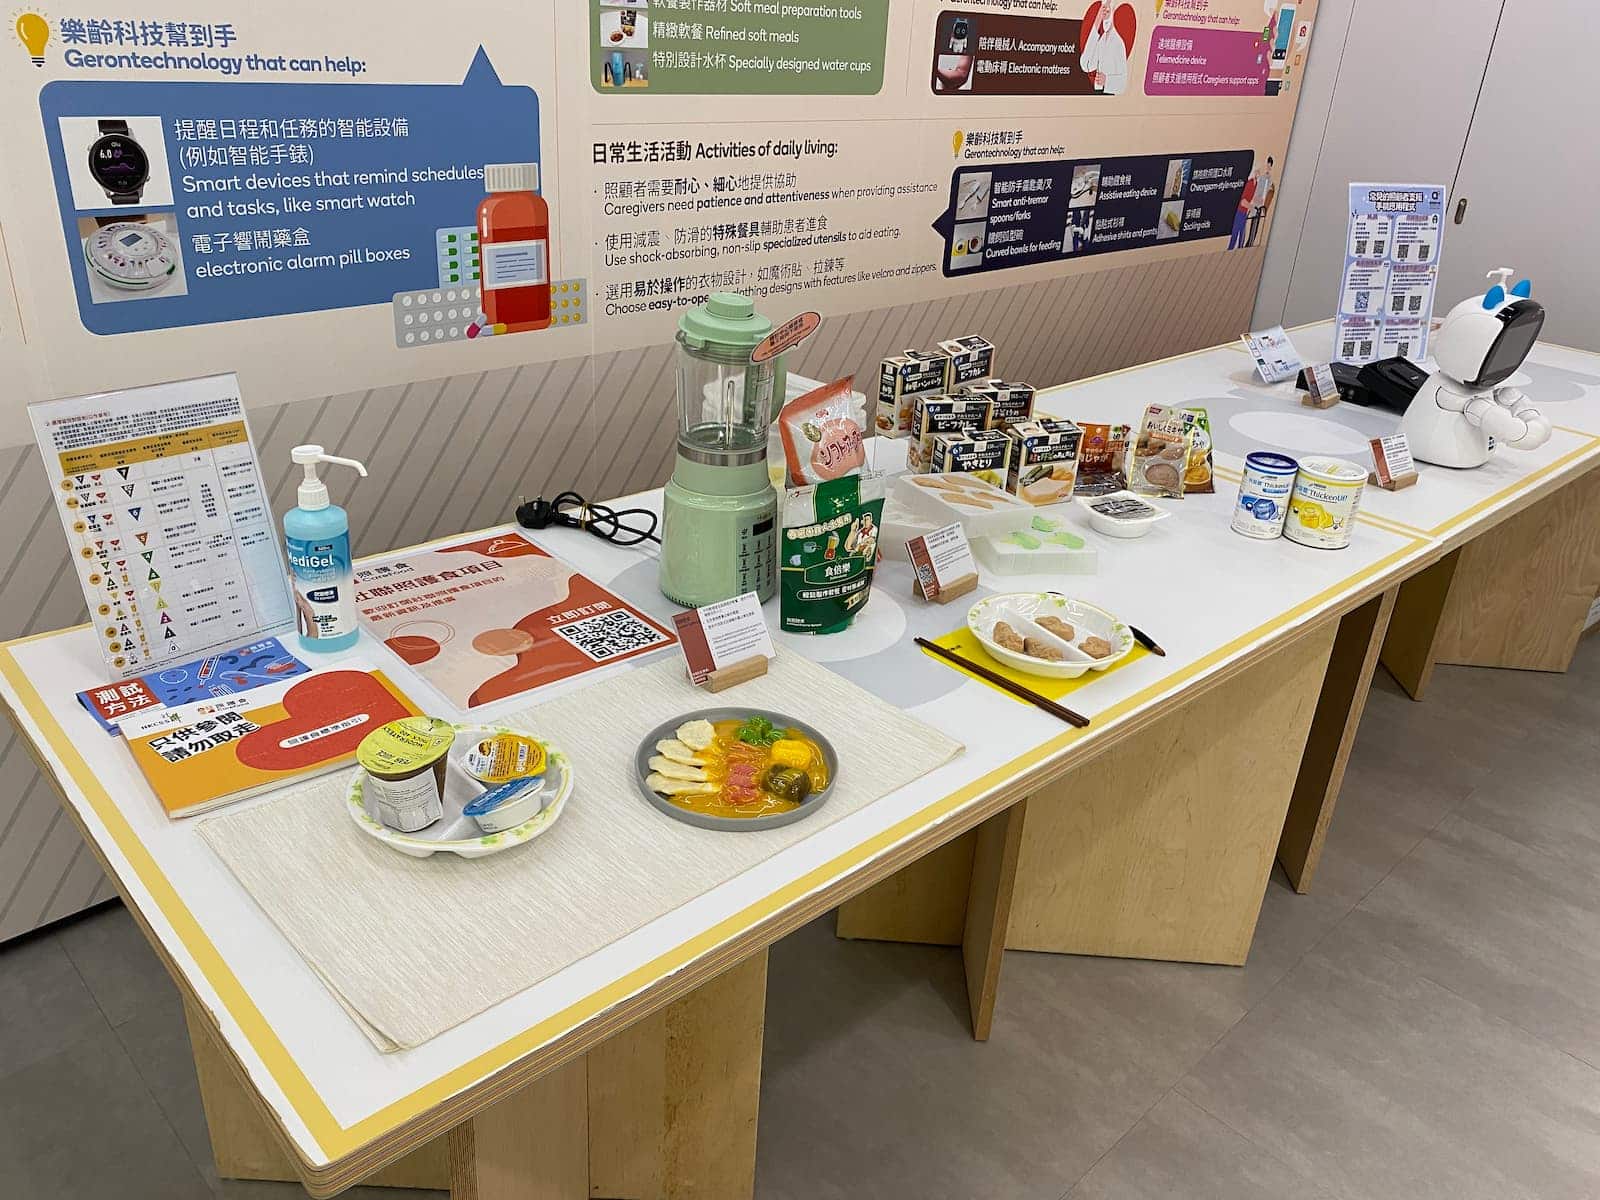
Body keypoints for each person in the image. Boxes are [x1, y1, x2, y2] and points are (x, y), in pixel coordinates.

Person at [1081, 4, 1129, 96]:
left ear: (1113, 13)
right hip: (1097, 94)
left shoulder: (1118, 43)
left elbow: (1123, 83)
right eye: (1103, 13)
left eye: (1108, 12)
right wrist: (1097, 22)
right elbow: (1086, 64)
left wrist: (1107, 80)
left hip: (1110, 96)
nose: (1105, 16)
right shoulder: (1102, 40)